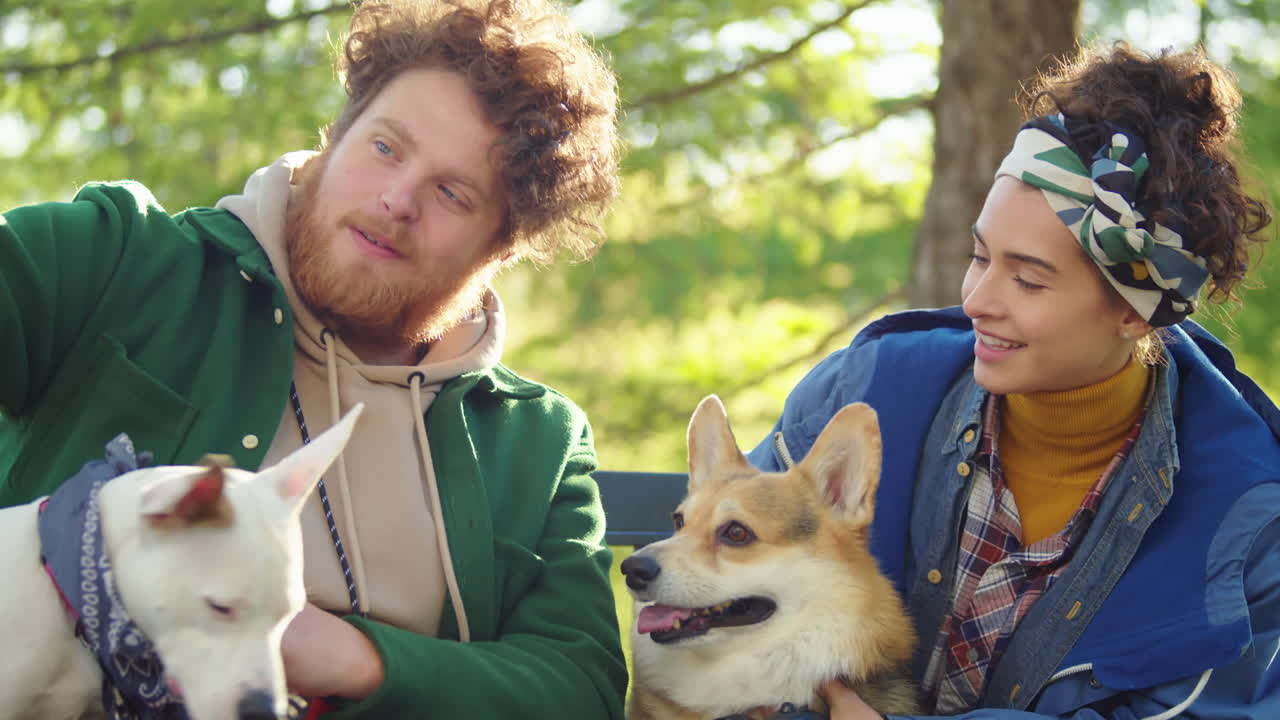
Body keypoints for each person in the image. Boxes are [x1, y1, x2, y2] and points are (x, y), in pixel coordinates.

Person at [0, 0, 626, 717]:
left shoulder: (537, 440)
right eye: (385, 147)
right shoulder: (123, 260)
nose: (397, 200)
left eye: (452, 193)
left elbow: (583, 690)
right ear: (336, 135)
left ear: (502, 250)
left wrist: (353, 658)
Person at [747, 44, 1280, 719]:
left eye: (1028, 279)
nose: (976, 300)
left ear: (1130, 311)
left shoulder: (1245, 514)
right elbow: (718, 592)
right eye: (979, 256)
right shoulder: (861, 392)